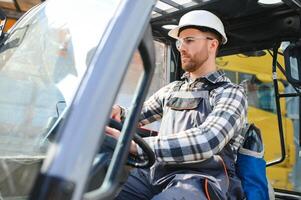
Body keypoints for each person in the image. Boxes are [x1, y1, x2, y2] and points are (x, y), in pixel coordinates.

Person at [107, 10, 248, 200]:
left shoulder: (230, 93)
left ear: (212, 44)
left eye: (189, 40)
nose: (181, 47)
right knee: (102, 189)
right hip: (155, 174)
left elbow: (207, 140)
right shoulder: (172, 90)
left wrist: (135, 146)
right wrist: (117, 113)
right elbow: (136, 115)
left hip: (201, 180)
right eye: (179, 42)